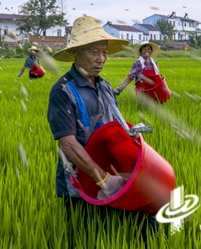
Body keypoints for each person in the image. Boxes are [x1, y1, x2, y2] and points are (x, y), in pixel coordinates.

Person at [47, 16, 158, 246]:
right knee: (87, 239)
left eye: (105, 52)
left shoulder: (105, 86)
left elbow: (113, 127)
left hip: (110, 178)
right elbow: (68, 144)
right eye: (94, 52)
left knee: (146, 223)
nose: (101, 59)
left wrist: (131, 133)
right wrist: (103, 180)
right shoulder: (62, 91)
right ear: (76, 52)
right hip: (79, 188)